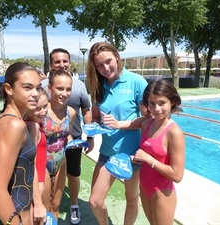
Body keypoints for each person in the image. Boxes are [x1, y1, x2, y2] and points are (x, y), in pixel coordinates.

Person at [103, 79, 185, 225]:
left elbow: (177, 175)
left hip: (162, 192)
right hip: (145, 187)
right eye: (152, 103)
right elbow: (127, 124)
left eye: (161, 103)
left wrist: (147, 159)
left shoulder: (174, 132)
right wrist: (135, 158)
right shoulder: (147, 122)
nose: (156, 109)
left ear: (172, 102)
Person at [86, 42, 148, 225]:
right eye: (99, 65)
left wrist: (120, 124)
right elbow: (96, 116)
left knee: (131, 198)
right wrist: (92, 129)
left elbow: (148, 119)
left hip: (132, 154)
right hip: (107, 153)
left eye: (108, 61)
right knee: (95, 201)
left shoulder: (136, 82)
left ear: (117, 57)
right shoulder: (97, 85)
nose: (105, 68)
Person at [0, 62, 46, 225]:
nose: (35, 94)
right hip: (13, 216)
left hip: (3, 213)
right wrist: (15, 221)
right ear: (9, 89)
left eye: (38, 88)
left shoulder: (2, 119)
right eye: (27, 87)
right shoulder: (14, 126)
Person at [47, 48, 94, 224]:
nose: (62, 64)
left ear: (69, 62)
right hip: (49, 142)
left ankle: (74, 205)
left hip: (72, 139)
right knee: (47, 178)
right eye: (57, 62)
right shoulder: (43, 85)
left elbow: (87, 111)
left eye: (65, 61)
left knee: (73, 174)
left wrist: (89, 137)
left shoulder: (79, 85)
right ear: (51, 64)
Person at [43, 69, 76, 220]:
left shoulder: (71, 112)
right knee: (42, 208)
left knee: (55, 205)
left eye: (68, 89)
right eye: (60, 88)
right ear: (50, 88)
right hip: (41, 165)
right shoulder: (40, 111)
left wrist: (71, 140)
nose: (64, 93)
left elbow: (67, 133)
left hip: (61, 163)